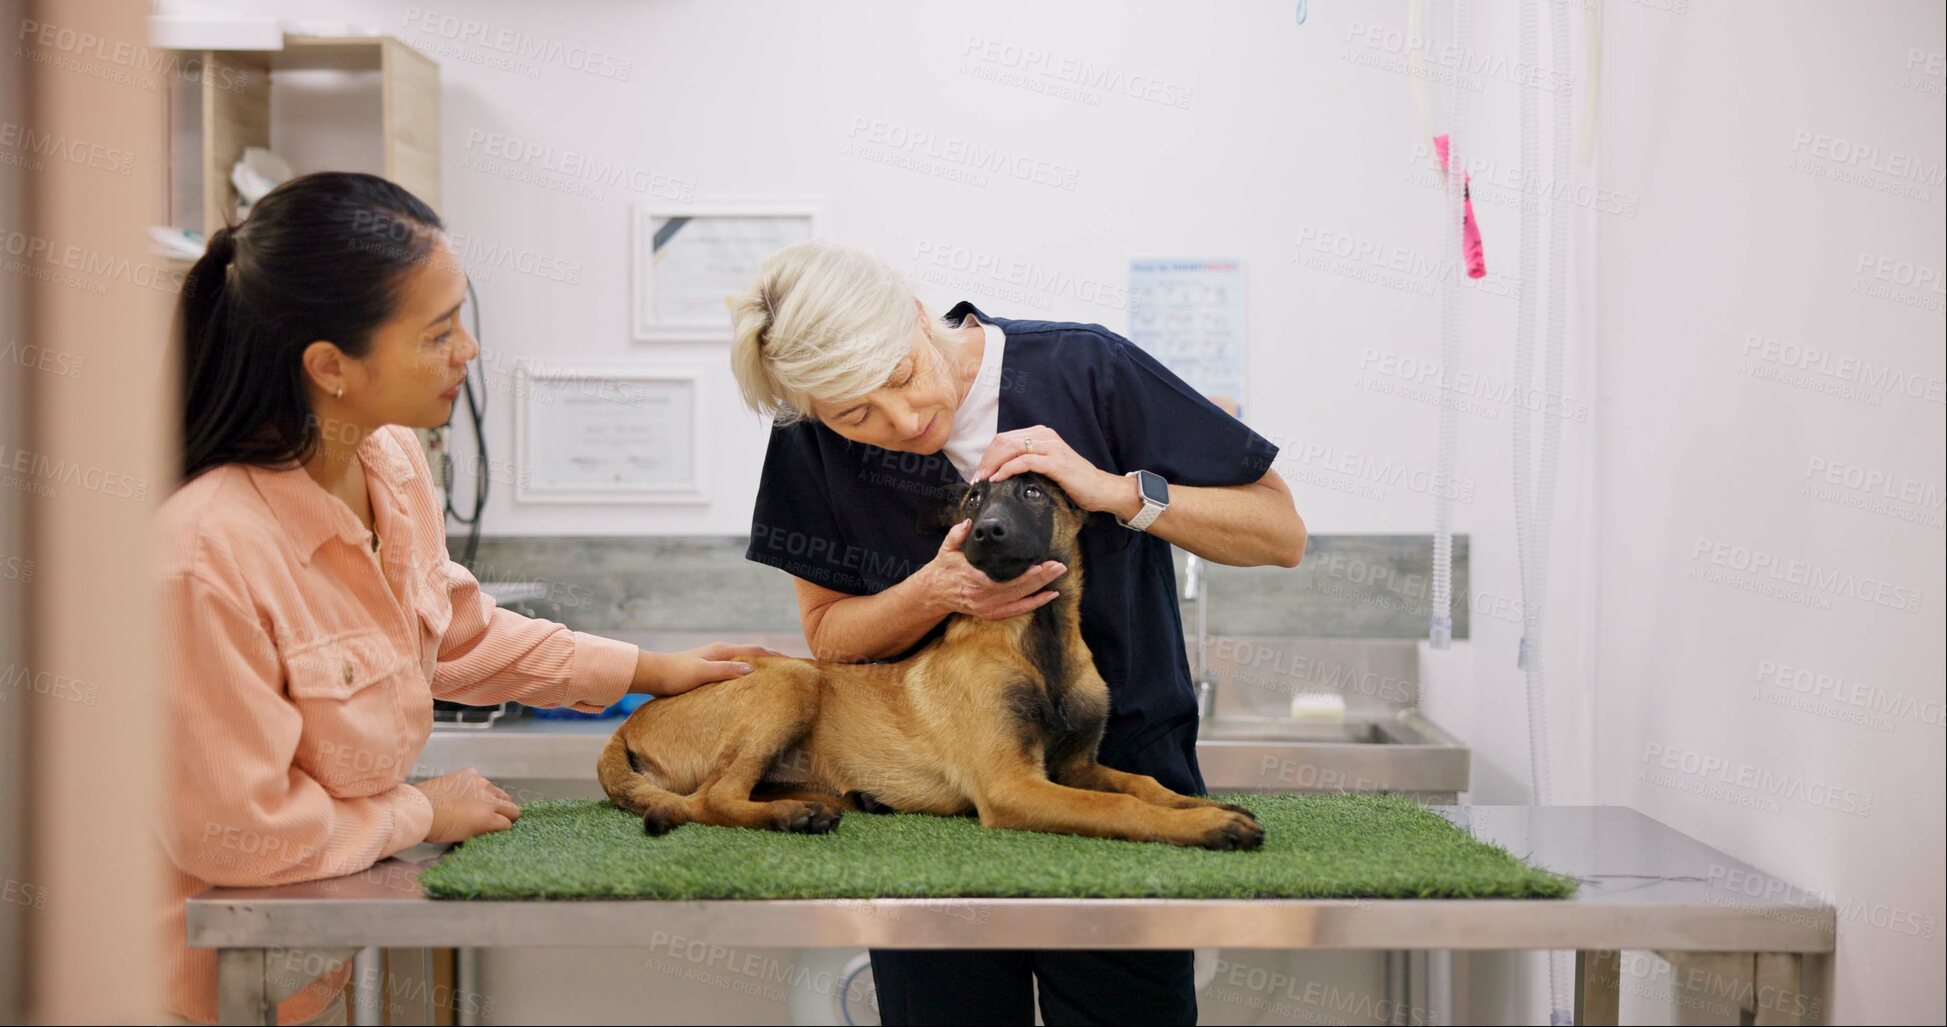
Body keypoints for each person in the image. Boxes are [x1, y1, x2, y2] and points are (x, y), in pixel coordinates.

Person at [156, 172, 772, 1025]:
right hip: (197, 984)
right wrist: (420, 809)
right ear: (331, 367)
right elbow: (237, 832)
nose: (469, 353)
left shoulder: (390, 460)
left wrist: (649, 669)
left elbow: (455, 634)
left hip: (299, 965)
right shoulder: (204, 555)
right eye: (439, 332)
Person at [730, 240, 1306, 1025]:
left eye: (902, 374)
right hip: (930, 806)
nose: (904, 420)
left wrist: (1112, 491)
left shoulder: (1087, 370)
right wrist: (931, 591)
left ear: (913, 315)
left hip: (1123, 779)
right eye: (853, 414)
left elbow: (1278, 531)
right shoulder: (808, 440)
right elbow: (829, 636)